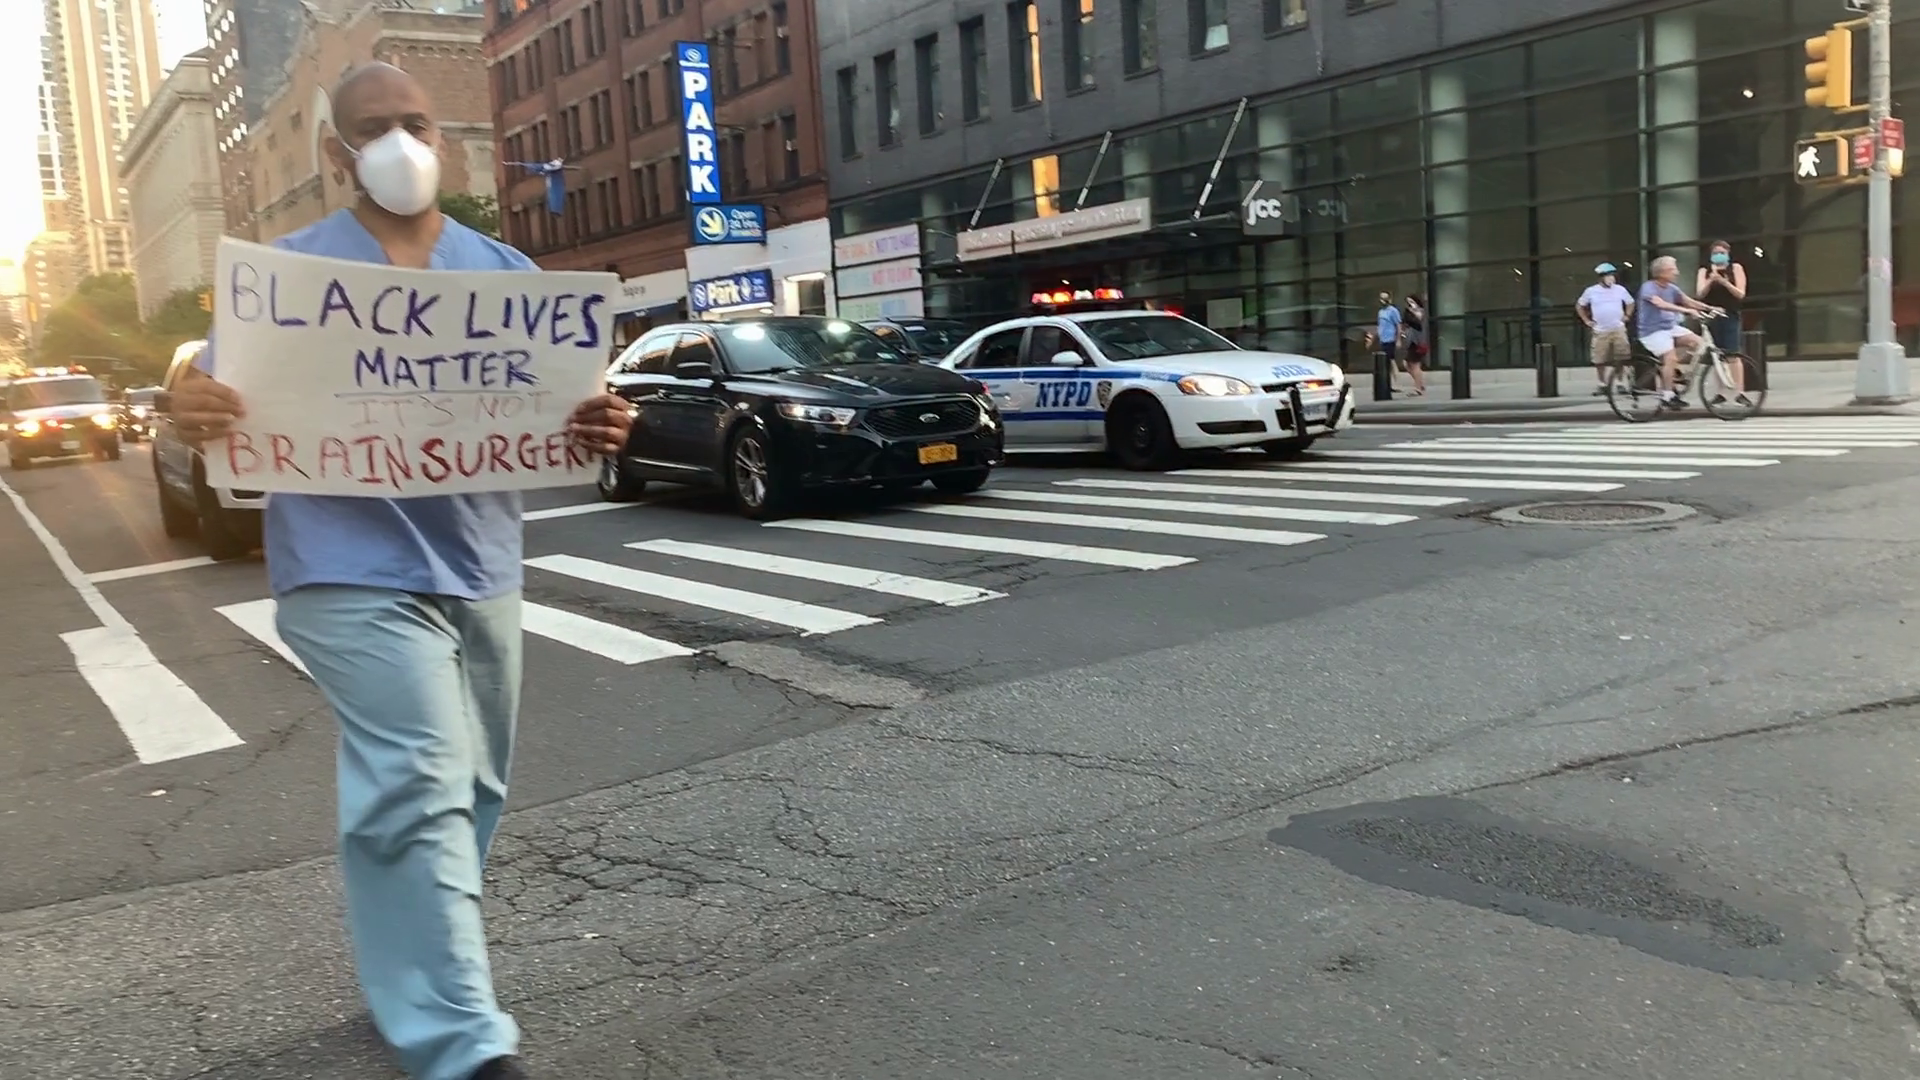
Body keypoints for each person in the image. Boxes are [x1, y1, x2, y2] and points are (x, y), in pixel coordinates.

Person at [169, 63, 631, 1080]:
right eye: (374, 127)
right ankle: (462, 1042)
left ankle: (408, 978)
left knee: (471, 785)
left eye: (416, 123)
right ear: (338, 153)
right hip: (344, 571)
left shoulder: (507, 274)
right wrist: (185, 402)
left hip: (480, 564)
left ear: (445, 142)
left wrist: (604, 423)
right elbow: (209, 394)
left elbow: (569, 410)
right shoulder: (284, 278)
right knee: (420, 775)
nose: (400, 143)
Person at [1635, 255, 1724, 410]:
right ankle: (1667, 395)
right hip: (1652, 331)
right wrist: (1686, 311)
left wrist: (1710, 308)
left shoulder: (1672, 288)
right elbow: (1660, 304)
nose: (1677, 272)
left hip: (1670, 328)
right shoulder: (1648, 287)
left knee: (1698, 343)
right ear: (1662, 272)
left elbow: (1688, 301)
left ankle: (1673, 371)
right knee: (1670, 357)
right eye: (1673, 269)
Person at [1577, 263, 1635, 395]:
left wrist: (1627, 315)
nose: (1611, 278)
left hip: (1618, 328)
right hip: (1600, 330)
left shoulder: (1620, 289)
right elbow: (1580, 306)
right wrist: (1586, 320)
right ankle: (1602, 383)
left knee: (1620, 357)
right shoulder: (1591, 291)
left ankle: (1620, 382)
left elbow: (1630, 302)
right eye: (1608, 276)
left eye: (1612, 276)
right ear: (1601, 277)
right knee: (1599, 359)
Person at [1695, 240, 1747, 354]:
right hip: (1711, 314)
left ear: (1728, 254)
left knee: (1732, 352)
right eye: (1715, 253)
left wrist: (1724, 282)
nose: (1719, 256)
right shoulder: (1704, 271)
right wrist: (1711, 280)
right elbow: (1700, 294)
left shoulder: (1735, 268)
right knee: (1714, 352)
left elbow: (1740, 294)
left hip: (1730, 313)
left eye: (1722, 253)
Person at [1399, 294, 1428, 396]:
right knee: (1407, 364)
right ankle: (1419, 383)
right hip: (1410, 341)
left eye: (1411, 302)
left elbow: (1418, 321)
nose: (1410, 304)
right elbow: (1404, 322)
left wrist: (1412, 311)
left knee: (1415, 365)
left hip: (1418, 341)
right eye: (1408, 302)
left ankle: (1417, 388)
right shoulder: (1408, 312)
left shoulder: (1420, 311)